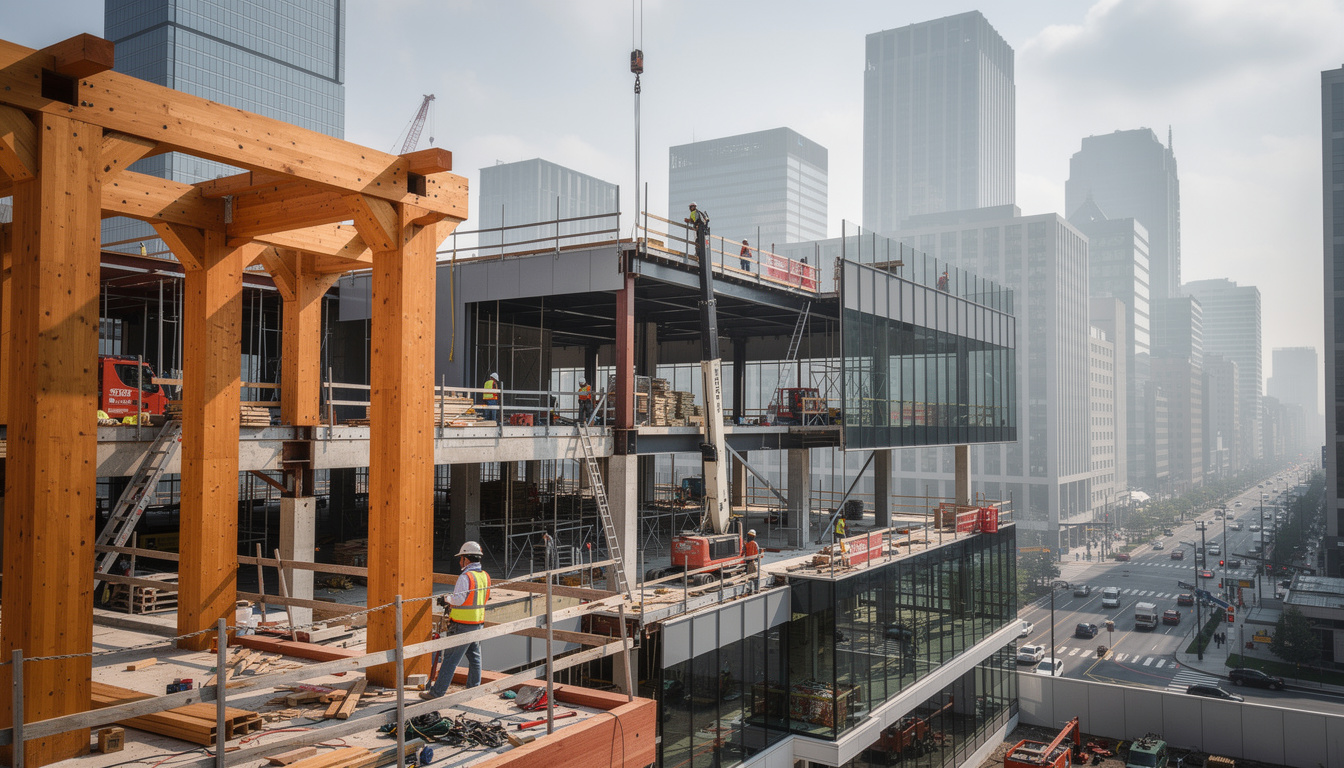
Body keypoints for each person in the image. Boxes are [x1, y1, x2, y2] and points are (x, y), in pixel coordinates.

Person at [422, 541, 491, 699]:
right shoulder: (485, 576)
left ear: (466, 559)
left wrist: (446, 599)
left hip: (462, 625)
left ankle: (437, 692)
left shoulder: (465, 577)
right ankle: (473, 689)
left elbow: (459, 599)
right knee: (475, 658)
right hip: (477, 623)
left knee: (450, 659)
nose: (460, 561)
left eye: (461, 558)